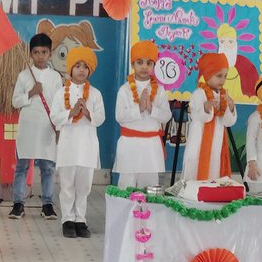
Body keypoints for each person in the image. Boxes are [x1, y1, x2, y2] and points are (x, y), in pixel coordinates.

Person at [49, 46, 105, 239]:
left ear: (90, 70)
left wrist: (87, 113)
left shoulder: (95, 94)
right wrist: (71, 113)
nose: (82, 70)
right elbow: (55, 117)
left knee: (84, 186)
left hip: (87, 146)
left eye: (85, 67)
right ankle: (67, 219)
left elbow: (101, 118)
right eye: (78, 66)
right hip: (68, 147)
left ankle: (80, 219)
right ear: (70, 69)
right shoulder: (60, 92)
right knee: (67, 186)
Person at [9, 33, 62, 219]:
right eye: (36, 52)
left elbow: (58, 104)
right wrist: (30, 93)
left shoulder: (55, 77)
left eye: (44, 52)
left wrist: (58, 126)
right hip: (28, 126)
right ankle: (18, 203)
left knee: (48, 167)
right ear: (30, 54)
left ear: (50, 53)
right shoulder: (24, 76)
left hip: (47, 126)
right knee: (22, 166)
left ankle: (47, 204)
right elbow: (15, 101)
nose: (40, 56)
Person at [114, 40, 171, 189]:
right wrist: (138, 108)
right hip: (130, 143)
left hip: (151, 145)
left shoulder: (159, 90)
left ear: (154, 66)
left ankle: (147, 213)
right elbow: (119, 117)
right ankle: (126, 213)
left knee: (149, 186)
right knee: (126, 186)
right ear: (132, 65)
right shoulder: (124, 90)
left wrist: (151, 108)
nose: (144, 66)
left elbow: (166, 116)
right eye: (140, 62)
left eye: (149, 63)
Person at [182, 52, 237, 182]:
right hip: (199, 140)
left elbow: (228, 122)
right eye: (219, 76)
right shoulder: (199, 93)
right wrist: (206, 107)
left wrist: (231, 107)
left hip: (217, 142)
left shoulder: (223, 95)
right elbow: (197, 116)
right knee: (196, 166)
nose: (223, 80)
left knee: (214, 167)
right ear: (207, 75)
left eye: (225, 76)